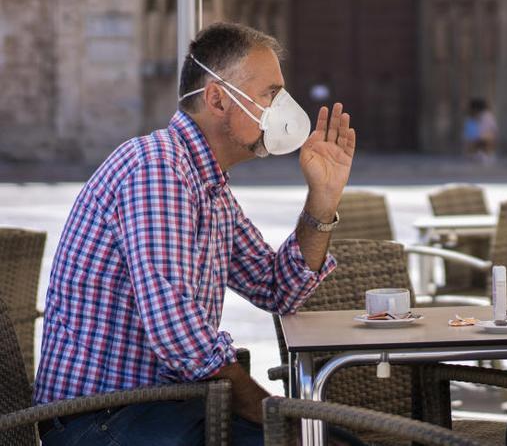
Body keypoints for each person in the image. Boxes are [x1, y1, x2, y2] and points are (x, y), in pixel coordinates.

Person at [33, 22, 360, 445]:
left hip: (167, 408)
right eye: (270, 94)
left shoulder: (208, 184)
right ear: (218, 98)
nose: (284, 108)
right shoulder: (157, 167)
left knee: (338, 442)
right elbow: (179, 336)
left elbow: (278, 288)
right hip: (101, 419)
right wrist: (277, 417)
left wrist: (323, 197)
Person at [463, 98, 498, 164]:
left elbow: (493, 132)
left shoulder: (488, 117)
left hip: (483, 141)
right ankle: (476, 154)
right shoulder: (470, 120)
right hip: (474, 143)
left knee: (487, 137)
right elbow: (467, 136)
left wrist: (482, 137)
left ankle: (485, 154)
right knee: (475, 140)